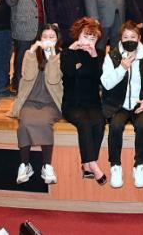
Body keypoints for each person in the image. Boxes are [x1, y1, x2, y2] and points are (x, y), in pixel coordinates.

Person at [100, 21, 143, 189]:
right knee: (115, 126)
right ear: (120, 39)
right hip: (118, 104)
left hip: (140, 104)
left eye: (133, 37)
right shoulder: (112, 57)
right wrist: (122, 68)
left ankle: (139, 166)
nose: (129, 40)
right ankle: (115, 166)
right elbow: (106, 83)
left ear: (139, 38)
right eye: (125, 37)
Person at [10, 24, 63, 185]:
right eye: (44, 36)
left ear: (57, 39)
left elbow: (53, 79)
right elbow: (27, 75)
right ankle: (24, 165)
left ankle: (47, 166)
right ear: (39, 38)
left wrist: (52, 56)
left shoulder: (61, 56)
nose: (48, 40)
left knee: (44, 123)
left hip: (50, 101)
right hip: (30, 100)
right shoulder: (31, 53)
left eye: (52, 37)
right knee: (25, 122)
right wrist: (32, 51)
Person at [61, 17, 107, 184]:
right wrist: (71, 52)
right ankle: (92, 164)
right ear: (78, 35)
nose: (88, 41)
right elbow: (69, 74)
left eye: (92, 38)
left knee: (100, 122)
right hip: (72, 103)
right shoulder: (67, 52)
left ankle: (87, 165)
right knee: (85, 123)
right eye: (85, 36)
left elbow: (100, 79)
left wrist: (93, 56)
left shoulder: (99, 54)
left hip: (92, 102)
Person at [6, 0, 47, 92]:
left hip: (40, 24)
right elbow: (9, 1)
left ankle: (34, 86)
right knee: (21, 58)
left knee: (38, 57)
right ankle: (18, 85)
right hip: (23, 25)